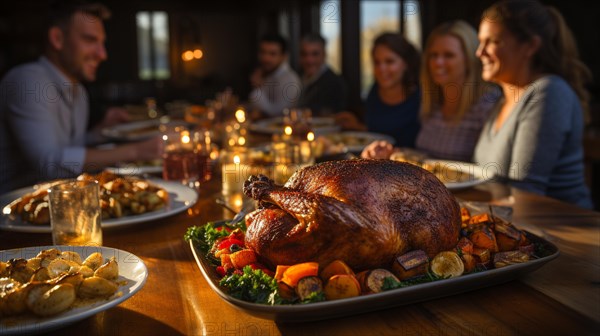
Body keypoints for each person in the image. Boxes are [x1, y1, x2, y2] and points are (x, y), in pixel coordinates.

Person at [0, 1, 161, 194]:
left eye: (102, 43)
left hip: (64, 204)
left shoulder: (79, 91)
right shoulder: (27, 81)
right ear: (57, 39)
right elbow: (50, 163)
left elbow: (68, 151)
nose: (103, 54)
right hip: (12, 211)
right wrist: (137, 151)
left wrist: (99, 133)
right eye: (90, 40)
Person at [473, 0, 593, 208]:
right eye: (480, 41)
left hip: (562, 232)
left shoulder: (549, 92)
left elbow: (525, 193)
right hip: (516, 225)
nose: (479, 52)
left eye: (492, 41)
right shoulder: (504, 99)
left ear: (530, 46)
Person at [362, 21, 496, 162]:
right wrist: (390, 153)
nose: (438, 62)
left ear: (469, 60)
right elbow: (426, 157)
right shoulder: (432, 102)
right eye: (433, 55)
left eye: (448, 55)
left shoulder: (487, 104)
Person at [337, 32, 421, 148]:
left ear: (406, 64)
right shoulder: (375, 91)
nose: (381, 69)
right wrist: (357, 126)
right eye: (377, 62)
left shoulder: (420, 97)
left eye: (389, 61)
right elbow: (379, 132)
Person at [248, 33, 301, 118]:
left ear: (284, 56)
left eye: (272, 54)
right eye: (263, 52)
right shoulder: (268, 73)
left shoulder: (289, 79)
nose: (266, 58)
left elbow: (277, 115)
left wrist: (257, 89)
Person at [296, 34, 347, 116]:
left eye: (315, 54)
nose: (309, 60)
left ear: (324, 54)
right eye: (304, 54)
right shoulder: (298, 76)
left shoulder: (334, 83)